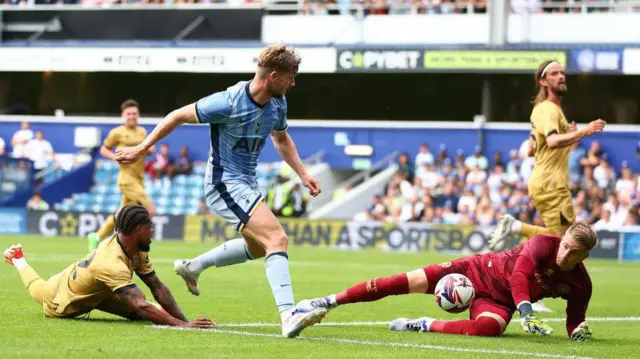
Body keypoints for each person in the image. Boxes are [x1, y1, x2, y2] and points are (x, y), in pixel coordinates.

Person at [113, 44, 326, 338]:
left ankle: (193, 266)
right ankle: (289, 314)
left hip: (246, 182)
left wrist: (303, 173)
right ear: (274, 76)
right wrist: (141, 148)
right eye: (291, 76)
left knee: (259, 247)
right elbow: (176, 115)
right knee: (277, 237)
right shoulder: (228, 101)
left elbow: (281, 139)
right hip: (223, 182)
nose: (294, 83)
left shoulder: (278, 104)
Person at [296, 222, 596, 342]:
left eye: (573, 251)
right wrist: (527, 311)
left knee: (489, 329)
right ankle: (329, 301)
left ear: (585, 255)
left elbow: (574, 321)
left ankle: (423, 324)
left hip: (498, 301)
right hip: (473, 271)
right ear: (563, 237)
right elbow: (520, 275)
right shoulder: (543, 243)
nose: (564, 251)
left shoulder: (582, 284)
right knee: (399, 282)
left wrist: (578, 332)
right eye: (565, 243)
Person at [488, 60, 605, 313]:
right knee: (564, 242)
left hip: (546, 181)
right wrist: (584, 132)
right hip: (552, 184)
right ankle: (531, 291)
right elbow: (552, 142)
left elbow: (533, 148)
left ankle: (516, 228)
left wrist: (569, 136)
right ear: (543, 81)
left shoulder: (547, 111)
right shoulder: (548, 109)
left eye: (563, 72)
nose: (561, 76)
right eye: (554, 73)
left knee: (557, 239)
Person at [4, 205, 214, 329]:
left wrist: (183, 321)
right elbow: (141, 304)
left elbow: (157, 287)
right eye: (150, 228)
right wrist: (183, 326)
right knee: (40, 291)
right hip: (63, 297)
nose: (153, 232)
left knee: (147, 314)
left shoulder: (137, 248)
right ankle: (18, 259)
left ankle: (18, 259)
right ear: (138, 229)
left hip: (99, 290)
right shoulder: (111, 263)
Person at [87, 99, 156, 251]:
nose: (132, 116)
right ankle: (135, 243)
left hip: (139, 179)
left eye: (135, 113)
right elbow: (104, 149)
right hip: (126, 180)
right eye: (129, 113)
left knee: (122, 213)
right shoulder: (117, 132)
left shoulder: (142, 132)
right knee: (149, 209)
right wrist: (116, 158)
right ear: (123, 115)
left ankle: (97, 236)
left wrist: (148, 150)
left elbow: (150, 150)